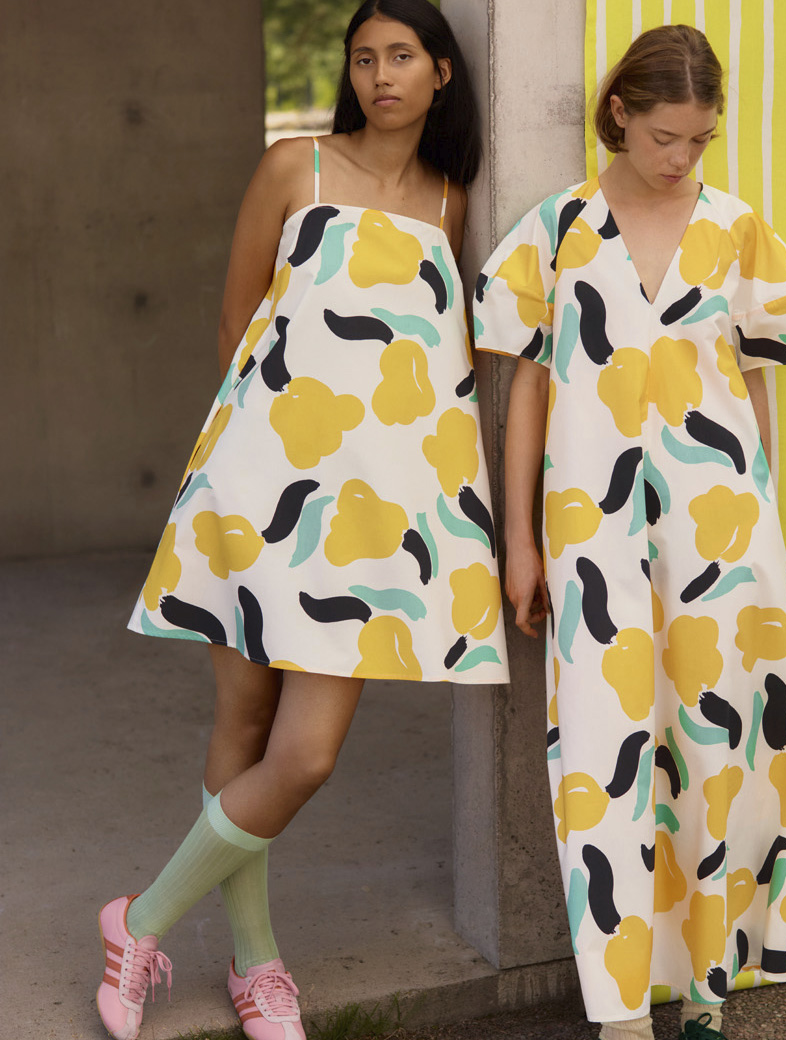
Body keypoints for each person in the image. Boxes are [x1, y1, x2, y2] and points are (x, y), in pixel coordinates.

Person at [98, 3, 508, 1038]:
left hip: (364, 526)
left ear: (441, 73)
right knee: (241, 727)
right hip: (259, 494)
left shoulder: (452, 201)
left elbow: (430, 376)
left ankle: (138, 919)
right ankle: (257, 965)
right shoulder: (296, 167)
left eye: (401, 56)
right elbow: (238, 321)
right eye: (364, 58)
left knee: (306, 754)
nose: (380, 75)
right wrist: (263, 461)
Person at [473, 24, 786, 1040]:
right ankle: (620, 1009)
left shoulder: (739, 230)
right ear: (618, 113)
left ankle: (706, 990)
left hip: (725, 537)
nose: (681, 157)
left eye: (700, 139)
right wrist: (520, 543)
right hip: (590, 533)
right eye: (666, 136)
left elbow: (752, 389)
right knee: (601, 751)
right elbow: (527, 390)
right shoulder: (558, 229)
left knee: (716, 747)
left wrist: (762, 533)